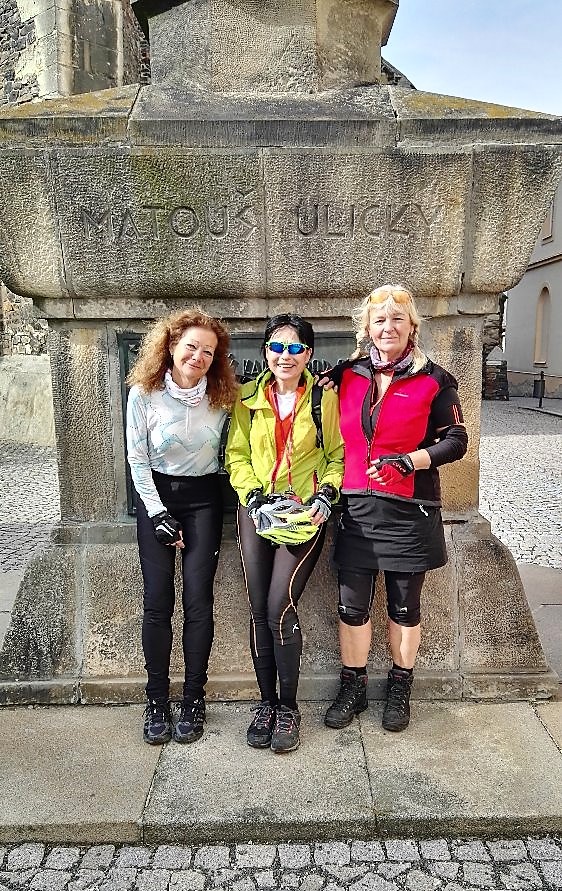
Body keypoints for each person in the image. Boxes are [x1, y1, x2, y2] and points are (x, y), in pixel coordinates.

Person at [323, 284, 468, 733]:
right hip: (356, 507)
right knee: (352, 606)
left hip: (410, 510)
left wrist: (409, 460)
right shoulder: (347, 374)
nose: (388, 327)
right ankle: (353, 685)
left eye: (397, 319)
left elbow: (456, 441)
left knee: (404, 607)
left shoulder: (436, 380)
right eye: (379, 319)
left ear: (412, 327)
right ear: (367, 328)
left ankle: (400, 686)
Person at [225, 314, 344, 753]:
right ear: (265, 352)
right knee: (258, 608)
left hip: (303, 514)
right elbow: (236, 455)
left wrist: (326, 495)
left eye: (295, 348)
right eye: (277, 347)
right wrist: (253, 496)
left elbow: (337, 455)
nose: (285, 356)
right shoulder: (247, 398)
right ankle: (267, 703)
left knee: (279, 606)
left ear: (308, 354)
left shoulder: (324, 400)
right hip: (257, 511)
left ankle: (289, 708)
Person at [126, 308, 238, 745]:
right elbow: (137, 459)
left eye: (208, 351)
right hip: (157, 499)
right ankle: (156, 699)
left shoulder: (224, 395)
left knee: (198, 602)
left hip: (204, 501)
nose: (199, 356)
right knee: (157, 602)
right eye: (191, 346)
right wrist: (157, 514)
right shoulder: (144, 393)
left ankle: (193, 698)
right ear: (171, 345)